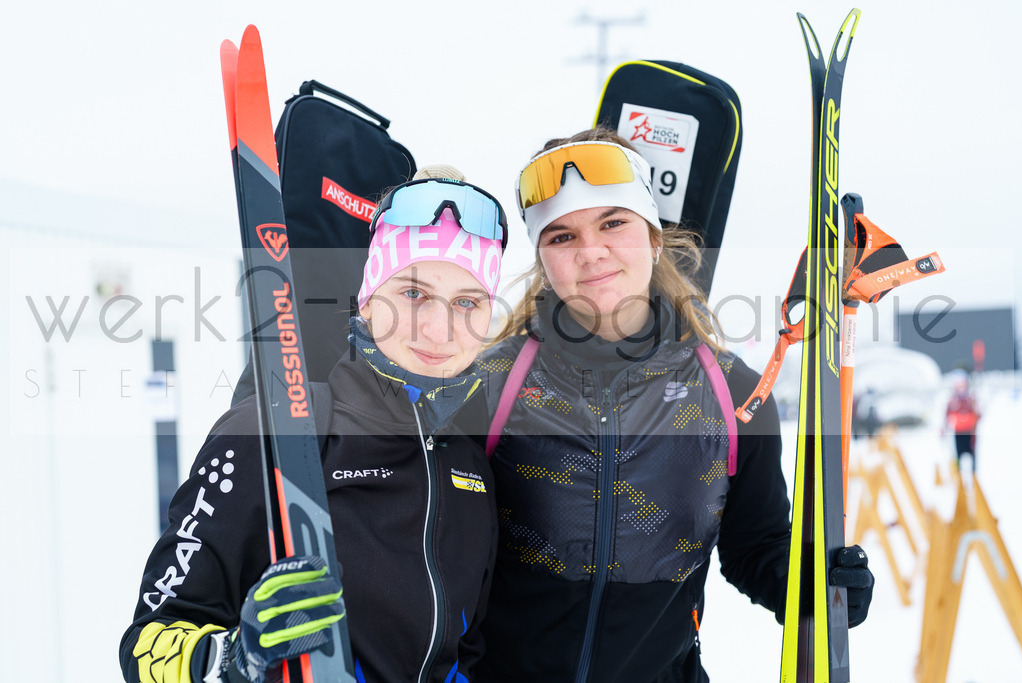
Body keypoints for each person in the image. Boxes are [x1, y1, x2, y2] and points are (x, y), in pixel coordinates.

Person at [475, 128, 874, 682]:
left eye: (613, 222)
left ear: (655, 237)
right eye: (561, 237)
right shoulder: (489, 386)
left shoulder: (733, 395)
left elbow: (755, 546)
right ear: (543, 259)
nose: (591, 252)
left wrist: (811, 585)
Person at [120, 167, 507, 683]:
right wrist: (234, 659)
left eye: (466, 302)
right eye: (414, 293)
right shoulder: (275, 429)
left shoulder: (471, 468)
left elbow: (468, 652)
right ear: (369, 301)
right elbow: (146, 643)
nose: (440, 328)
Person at [946, 370, 980, 472]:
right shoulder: (953, 400)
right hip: (958, 431)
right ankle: (958, 473)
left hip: (970, 432)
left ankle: (973, 474)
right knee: (958, 454)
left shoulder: (970, 399)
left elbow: (978, 414)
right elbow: (947, 414)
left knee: (972, 454)